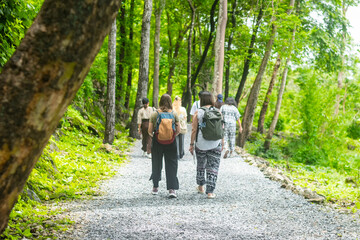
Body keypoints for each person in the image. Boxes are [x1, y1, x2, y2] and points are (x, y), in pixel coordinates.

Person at [189, 91, 224, 199]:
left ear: (201, 100)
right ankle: (210, 192)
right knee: (213, 167)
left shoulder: (198, 112)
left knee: (201, 164)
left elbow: (194, 130)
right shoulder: (218, 111)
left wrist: (191, 144)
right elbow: (221, 129)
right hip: (216, 143)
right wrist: (222, 142)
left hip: (201, 143)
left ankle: (200, 187)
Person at [148, 94, 180, 198]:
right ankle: (172, 189)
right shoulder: (174, 113)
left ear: (160, 101)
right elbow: (178, 130)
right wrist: (171, 136)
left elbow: (149, 131)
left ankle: (155, 187)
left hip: (157, 142)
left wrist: (156, 136)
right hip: (171, 142)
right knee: (172, 164)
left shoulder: (155, 114)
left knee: (156, 163)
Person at [173, 96, 188, 160]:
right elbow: (185, 118)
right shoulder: (183, 109)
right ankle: (181, 153)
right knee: (181, 140)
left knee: (176, 140)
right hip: (182, 126)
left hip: (174, 126)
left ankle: (177, 154)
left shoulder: (172, 108)